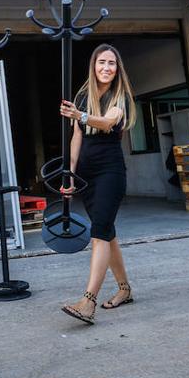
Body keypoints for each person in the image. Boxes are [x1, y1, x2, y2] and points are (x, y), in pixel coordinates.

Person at [58, 44, 138, 325]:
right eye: (102, 62)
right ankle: (124, 290)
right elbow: (76, 138)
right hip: (87, 173)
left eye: (112, 63)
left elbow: (106, 123)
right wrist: (69, 172)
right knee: (107, 232)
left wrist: (79, 115)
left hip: (110, 171)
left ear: (118, 69)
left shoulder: (121, 96)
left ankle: (87, 301)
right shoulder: (83, 96)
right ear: (93, 66)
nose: (107, 68)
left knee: (99, 233)